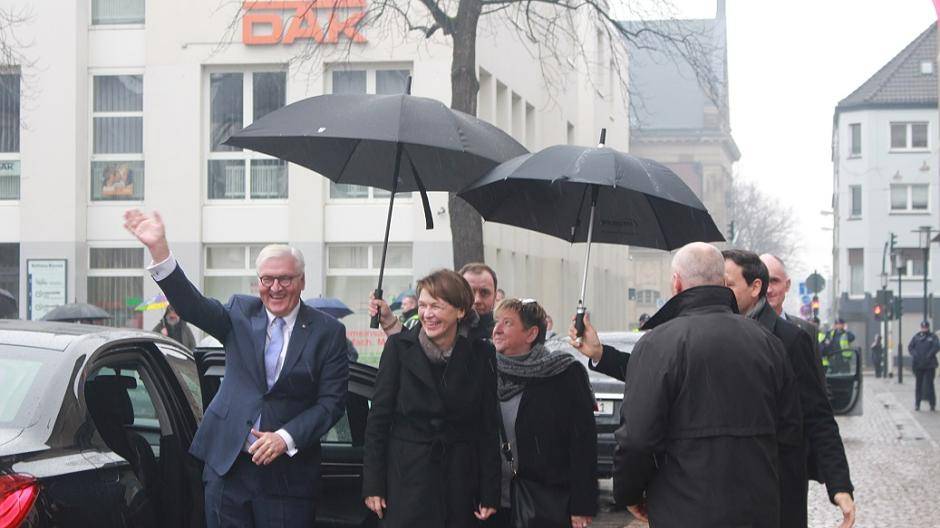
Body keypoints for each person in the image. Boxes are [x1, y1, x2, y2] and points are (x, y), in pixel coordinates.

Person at [123, 209, 349, 528]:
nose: (276, 287)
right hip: (228, 468)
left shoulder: (327, 332)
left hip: (288, 478)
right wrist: (159, 250)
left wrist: (285, 438)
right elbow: (192, 306)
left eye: (285, 278)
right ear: (258, 282)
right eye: (267, 279)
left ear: (302, 281)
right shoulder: (240, 311)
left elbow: (331, 403)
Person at [611, 242, 802, 527]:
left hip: (683, 509)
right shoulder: (767, 344)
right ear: (723, 282)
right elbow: (790, 434)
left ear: (676, 283)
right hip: (756, 509)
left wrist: (628, 493)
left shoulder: (657, 344)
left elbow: (637, 439)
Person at [723, 249, 855, 528]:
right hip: (725, 490)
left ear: (754, 287)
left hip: (777, 490)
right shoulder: (713, 335)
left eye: (728, 285)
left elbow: (817, 414)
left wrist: (839, 484)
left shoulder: (792, 340)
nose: (721, 292)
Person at [362, 269, 499, 527]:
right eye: (423, 305)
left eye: (437, 306)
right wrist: (373, 485)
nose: (427, 314)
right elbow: (378, 421)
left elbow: (488, 427)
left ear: (460, 311)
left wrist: (489, 491)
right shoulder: (399, 348)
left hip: (459, 480)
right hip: (407, 479)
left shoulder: (481, 354)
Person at [489, 298, 596, 528]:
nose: (496, 329)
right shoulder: (485, 369)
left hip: (544, 502)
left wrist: (582, 504)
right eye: (496, 322)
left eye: (507, 323)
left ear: (531, 334)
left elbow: (582, 443)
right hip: (491, 503)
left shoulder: (563, 373)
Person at [370, 262, 499, 342]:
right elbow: (409, 345)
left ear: (495, 296)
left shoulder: (502, 334)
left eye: (484, 293)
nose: (476, 300)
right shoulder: (433, 326)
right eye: (471, 292)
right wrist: (388, 320)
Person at [761, 254, 826, 386]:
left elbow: (818, 385)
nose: (768, 289)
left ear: (787, 285)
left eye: (774, 281)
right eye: (764, 282)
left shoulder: (806, 330)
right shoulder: (742, 329)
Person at [909, 321, 939, 411]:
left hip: (929, 365)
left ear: (928, 327)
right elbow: (910, 347)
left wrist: (929, 355)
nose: (924, 328)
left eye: (925, 327)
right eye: (923, 327)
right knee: (918, 385)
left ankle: (932, 404)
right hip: (919, 364)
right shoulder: (916, 337)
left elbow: (936, 346)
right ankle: (917, 404)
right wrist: (915, 355)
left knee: (930, 385)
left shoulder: (933, 337)